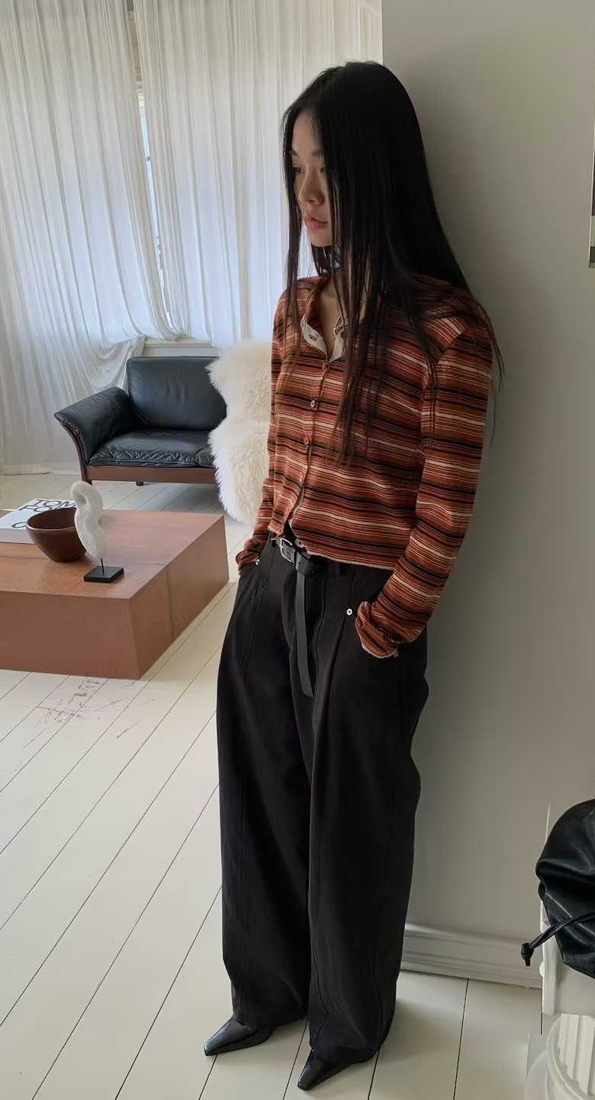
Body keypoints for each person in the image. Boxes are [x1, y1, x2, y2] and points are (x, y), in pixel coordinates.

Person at [204, 61, 502, 1092]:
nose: (309, 193)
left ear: (381, 169)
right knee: (256, 797)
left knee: (356, 823)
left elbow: (445, 510)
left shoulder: (450, 332)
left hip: (362, 606)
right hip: (273, 589)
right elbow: (284, 456)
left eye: (327, 167)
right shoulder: (296, 309)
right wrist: (255, 556)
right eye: (296, 168)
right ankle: (267, 993)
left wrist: (382, 627)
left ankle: (348, 1021)